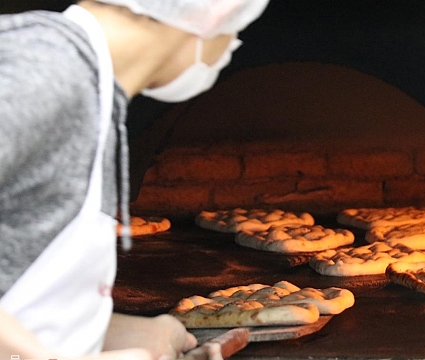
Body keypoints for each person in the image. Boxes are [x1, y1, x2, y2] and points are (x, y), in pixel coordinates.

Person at [0, 0, 268, 359]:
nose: (229, 47)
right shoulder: (45, 68)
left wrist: (122, 332)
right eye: (236, 29)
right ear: (215, 12)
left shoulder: (90, 91)